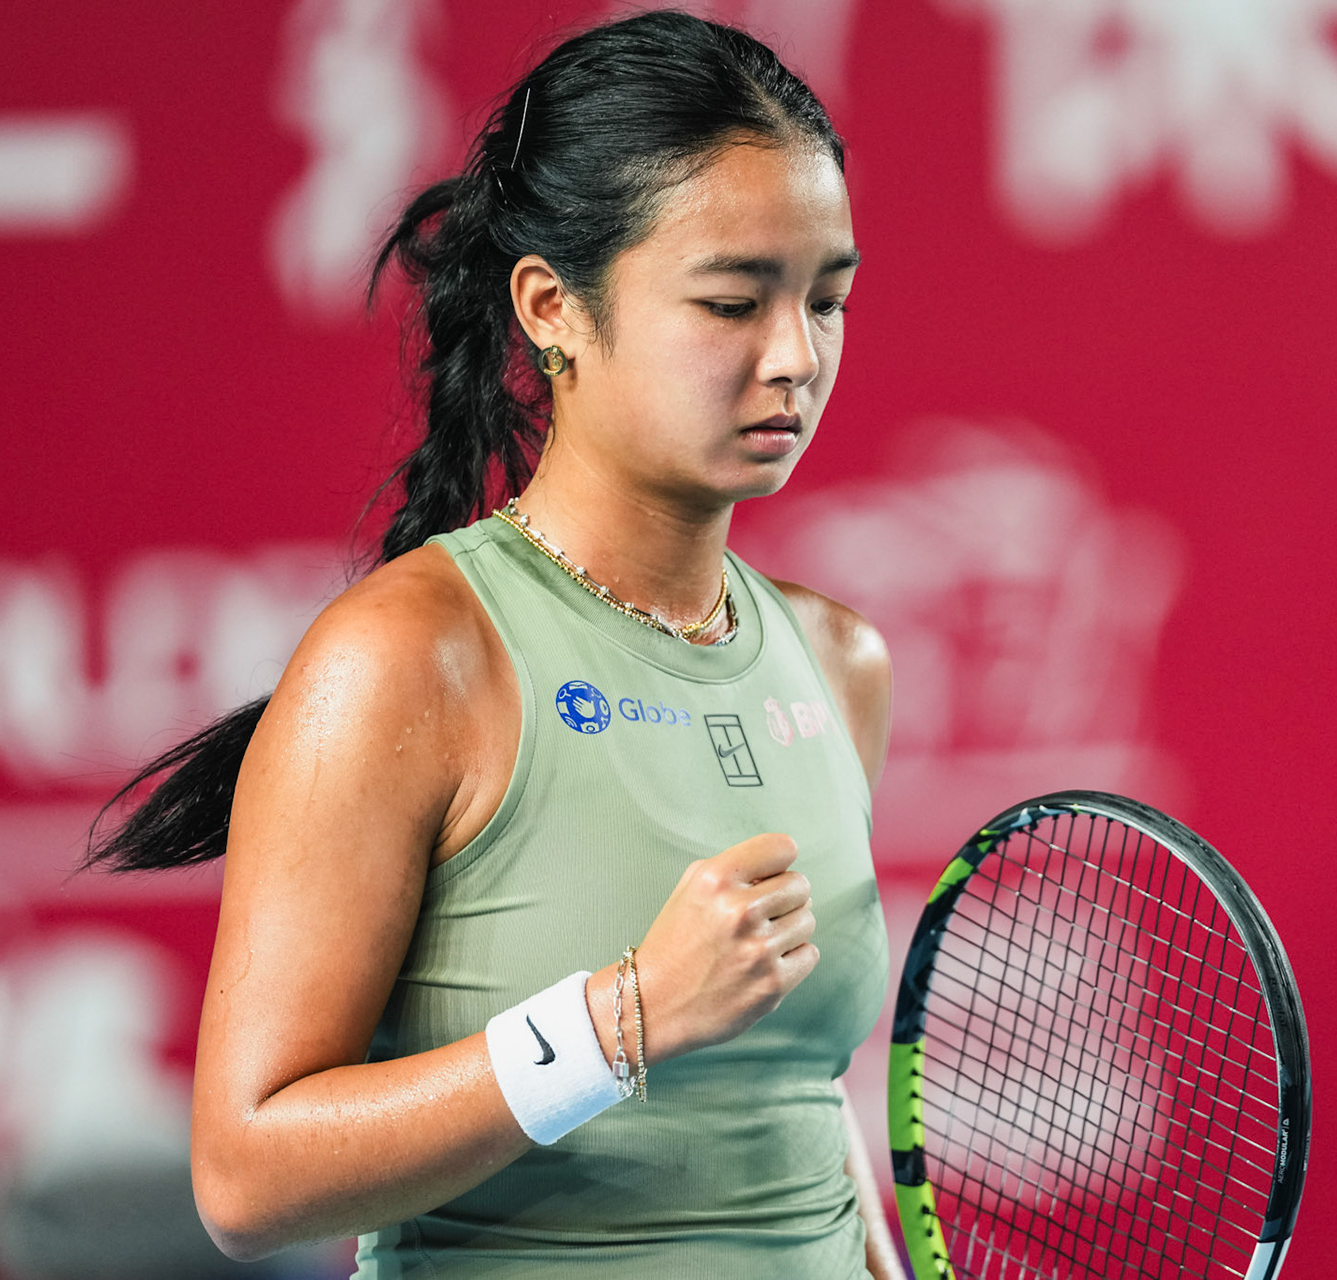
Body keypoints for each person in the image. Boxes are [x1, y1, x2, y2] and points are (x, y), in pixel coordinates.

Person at [90, 11, 900, 1277]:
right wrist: (619, 1020)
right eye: (733, 300)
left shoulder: (839, 663)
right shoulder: (406, 660)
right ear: (552, 309)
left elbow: (790, 1108)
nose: (795, 355)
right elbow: (247, 1176)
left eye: (829, 297)